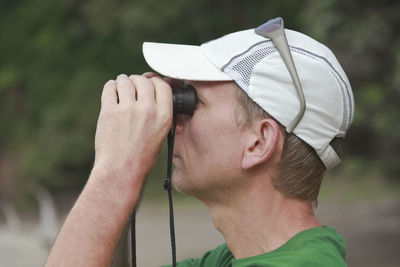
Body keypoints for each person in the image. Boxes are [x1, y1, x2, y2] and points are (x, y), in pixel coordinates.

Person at [45, 17, 354, 266]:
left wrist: (114, 171)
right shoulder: (237, 256)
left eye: (193, 103)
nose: (172, 121)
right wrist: (129, 170)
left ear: (258, 142)